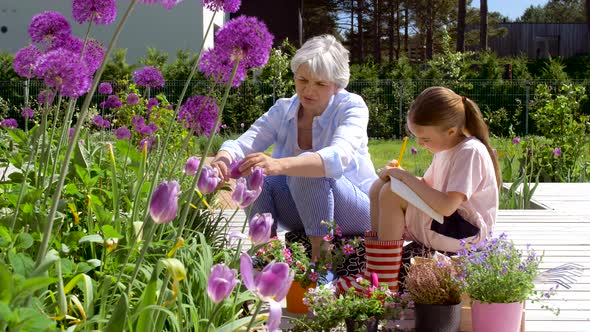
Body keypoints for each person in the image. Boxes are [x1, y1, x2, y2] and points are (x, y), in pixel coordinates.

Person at [210, 34, 377, 259]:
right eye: (302, 80)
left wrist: (280, 165)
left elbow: (337, 157)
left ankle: (321, 260)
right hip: (303, 207)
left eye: (320, 83)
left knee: (307, 168)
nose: (308, 90)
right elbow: (243, 144)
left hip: (356, 212)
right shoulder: (283, 109)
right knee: (254, 170)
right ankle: (267, 252)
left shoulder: (352, 107)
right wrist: (223, 159)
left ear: (337, 85)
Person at [336, 86, 501, 293]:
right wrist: (399, 174)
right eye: (417, 137)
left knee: (391, 192)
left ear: (451, 131)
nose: (420, 143)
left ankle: (384, 283)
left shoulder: (470, 152)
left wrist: (405, 178)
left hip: (465, 233)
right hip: (447, 224)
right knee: (380, 186)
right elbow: (427, 187)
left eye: (425, 139)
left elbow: (447, 206)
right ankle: (375, 269)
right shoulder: (446, 147)